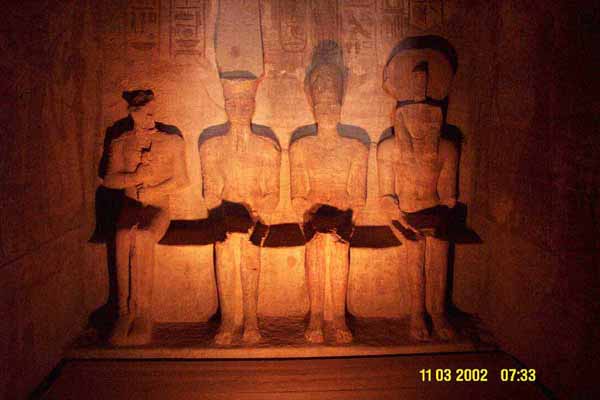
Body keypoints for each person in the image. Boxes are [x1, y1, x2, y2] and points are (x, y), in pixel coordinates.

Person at [103, 90, 189, 345]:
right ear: (133, 114)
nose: (149, 118)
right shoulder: (121, 142)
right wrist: (134, 178)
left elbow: (182, 180)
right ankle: (123, 312)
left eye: (152, 112)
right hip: (130, 206)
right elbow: (109, 179)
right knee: (122, 235)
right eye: (144, 113)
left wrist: (154, 190)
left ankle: (142, 313)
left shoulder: (171, 141)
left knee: (142, 236)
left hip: (157, 207)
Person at [199, 77, 280, 345]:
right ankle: (228, 320)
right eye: (233, 103)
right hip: (225, 217)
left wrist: (255, 215)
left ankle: (251, 320)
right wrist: (224, 218)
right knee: (225, 254)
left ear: (253, 105)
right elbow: (210, 193)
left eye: (245, 103)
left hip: (254, 215)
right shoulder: (211, 146)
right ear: (225, 106)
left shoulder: (267, 147)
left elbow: (272, 194)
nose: (239, 109)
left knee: (249, 256)